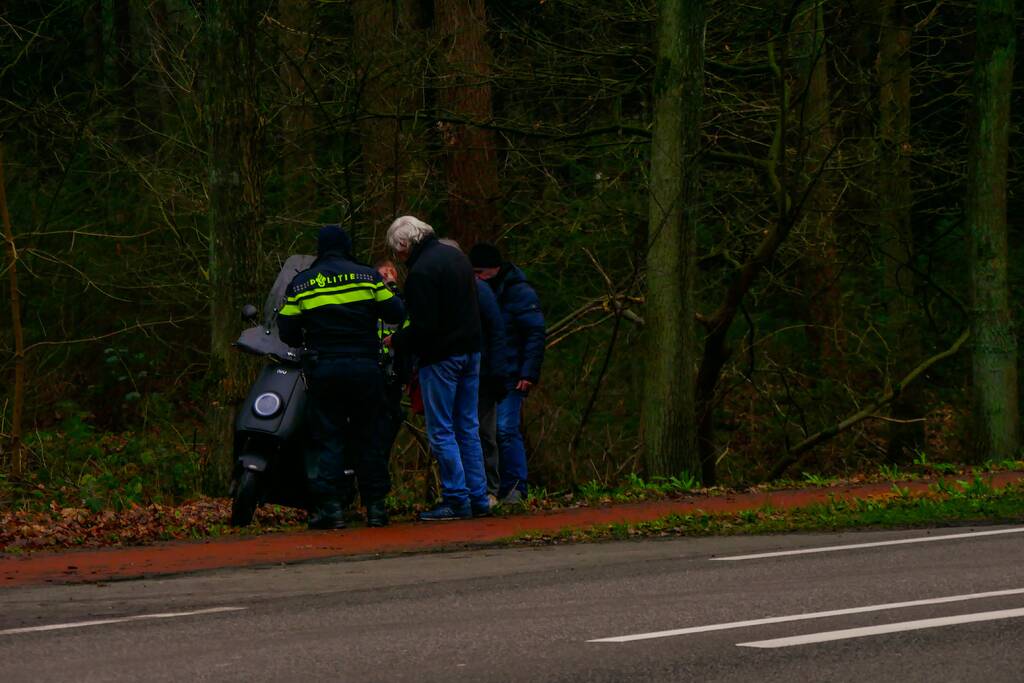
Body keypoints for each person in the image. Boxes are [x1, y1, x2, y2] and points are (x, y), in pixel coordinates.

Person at [278, 225, 405, 529]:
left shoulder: (303, 282)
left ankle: (331, 510)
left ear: (320, 249)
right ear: (347, 246)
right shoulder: (367, 276)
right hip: (365, 368)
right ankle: (375, 508)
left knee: (328, 438)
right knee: (370, 436)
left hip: (325, 370)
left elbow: (287, 331)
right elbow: (395, 313)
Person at [386, 216, 490, 520]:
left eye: (399, 252)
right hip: (471, 351)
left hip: (441, 357)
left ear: (405, 244)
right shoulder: (457, 258)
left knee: (442, 430)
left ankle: (457, 498)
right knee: (467, 427)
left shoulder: (421, 272)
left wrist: (397, 341)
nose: (400, 259)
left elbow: (424, 327)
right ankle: (478, 496)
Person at [468, 242, 546, 505]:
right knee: (485, 431)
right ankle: (496, 487)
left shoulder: (518, 292)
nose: (476, 277)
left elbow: (535, 333)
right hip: (490, 372)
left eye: (481, 271)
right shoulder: (482, 292)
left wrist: (528, 372)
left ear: (495, 269)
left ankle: (515, 487)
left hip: (512, 372)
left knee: (505, 429)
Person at [440, 239, 510, 507]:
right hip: (455, 371)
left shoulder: (479, 291)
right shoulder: (445, 291)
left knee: (483, 432)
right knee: (455, 432)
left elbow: (497, 331)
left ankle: (489, 488)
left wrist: (498, 374)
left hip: (482, 374)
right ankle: (461, 488)